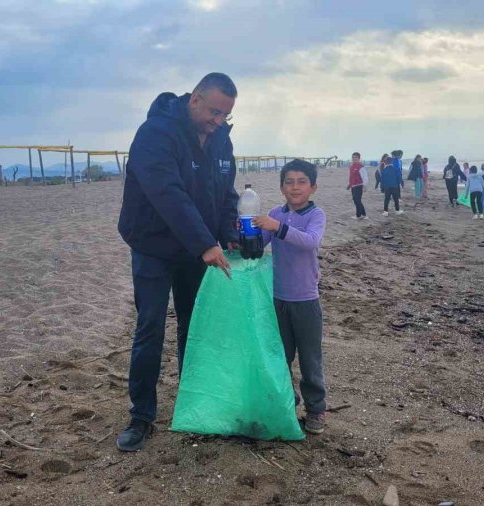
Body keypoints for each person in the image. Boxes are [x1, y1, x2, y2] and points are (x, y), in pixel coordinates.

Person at [116, 73, 241, 452]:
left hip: (194, 249)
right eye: (215, 112)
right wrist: (205, 243)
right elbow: (166, 192)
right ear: (195, 99)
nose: (218, 121)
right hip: (153, 246)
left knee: (194, 326)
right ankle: (141, 415)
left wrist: (228, 233)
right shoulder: (156, 132)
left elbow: (224, 191)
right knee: (150, 328)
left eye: (226, 115)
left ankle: (193, 402)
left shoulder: (221, 139)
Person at [252, 159, 327, 434]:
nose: (295, 187)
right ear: (282, 187)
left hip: (306, 301)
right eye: (289, 182)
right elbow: (259, 244)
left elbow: (310, 242)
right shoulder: (275, 213)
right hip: (277, 299)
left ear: (313, 187)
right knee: (279, 357)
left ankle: (316, 409)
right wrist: (246, 232)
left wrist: (277, 227)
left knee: (310, 359)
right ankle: (286, 403)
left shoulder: (315, 216)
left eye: (301, 182)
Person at [380, 151, 404, 216]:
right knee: (396, 199)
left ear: (386, 162)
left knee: (386, 199)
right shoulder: (395, 169)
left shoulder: (384, 170)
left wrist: (382, 188)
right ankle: (397, 210)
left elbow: (382, 180)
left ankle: (385, 212)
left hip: (387, 187)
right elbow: (399, 177)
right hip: (395, 186)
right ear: (392, 162)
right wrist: (401, 184)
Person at [346, 152, 368, 220]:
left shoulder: (361, 167)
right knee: (356, 200)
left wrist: (365, 186)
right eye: (353, 157)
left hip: (359, 186)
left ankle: (358, 215)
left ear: (359, 158)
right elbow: (352, 177)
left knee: (357, 200)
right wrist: (349, 185)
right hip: (353, 186)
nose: (354, 159)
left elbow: (365, 177)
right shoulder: (351, 166)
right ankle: (364, 214)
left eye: (355, 157)